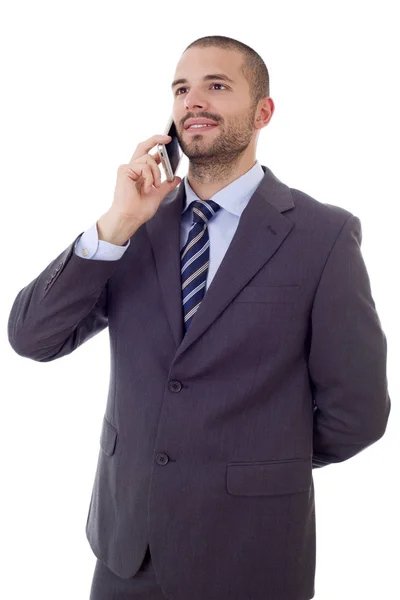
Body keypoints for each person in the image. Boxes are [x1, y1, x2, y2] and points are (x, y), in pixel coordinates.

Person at [7, 35, 391, 600]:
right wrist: (116, 223)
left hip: (252, 553)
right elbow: (33, 337)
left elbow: (358, 412)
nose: (194, 101)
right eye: (182, 89)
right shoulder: (135, 226)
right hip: (126, 552)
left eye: (217, 85)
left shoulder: (323, 236)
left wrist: (260, 459)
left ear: (263, 112)